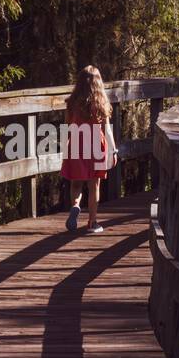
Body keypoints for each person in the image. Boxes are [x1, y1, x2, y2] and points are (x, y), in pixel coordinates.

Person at [60, 65, 117, 234]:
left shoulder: (71, 103)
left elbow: (67, 127)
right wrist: (113, 151)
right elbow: (107, 130)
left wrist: (65, 149)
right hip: (96, 146)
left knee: (76, 183)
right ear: (98, 83)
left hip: (77, 143)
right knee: (94, 185)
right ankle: (92, 223)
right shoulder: (101, 103)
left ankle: (75, 206)